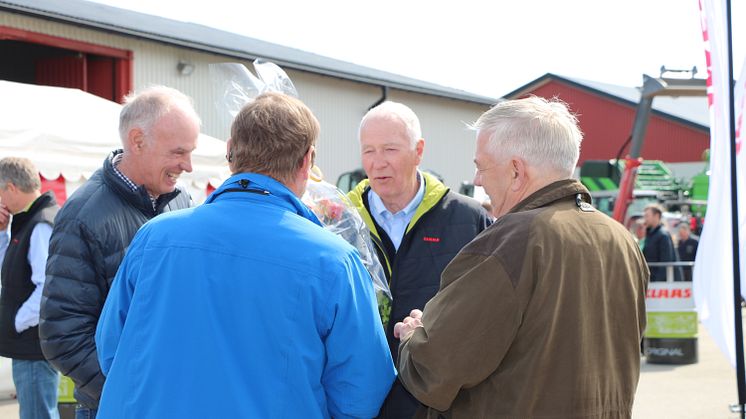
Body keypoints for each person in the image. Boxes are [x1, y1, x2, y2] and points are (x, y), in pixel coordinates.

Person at [95, 92, 396, 418]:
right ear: (307, 160)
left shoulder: (154, 238)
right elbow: (361, 393)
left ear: (230, 152)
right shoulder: (334, 262)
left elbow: (112, 349)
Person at [393, 96, 649, 418]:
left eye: (480, 166)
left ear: (516, 171)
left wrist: (413, 335)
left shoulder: (511, 241)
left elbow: (434, 370)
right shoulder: (621, 239)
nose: (477, 181)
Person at [40, 86, 200, 418]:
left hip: (177, 398)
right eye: (178, 152)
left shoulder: (182, 202)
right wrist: (128, 394)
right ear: (137, 140)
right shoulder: (83, 215)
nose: (188, 165)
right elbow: (62, 334)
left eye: (191, 152)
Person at [347, 101, 491, 419]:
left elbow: (489, 314)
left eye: (390, 149)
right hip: (358, 402)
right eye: (368, 150)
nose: (378, 162)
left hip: (437, 402)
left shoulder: (468, 219)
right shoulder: (340, 220)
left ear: (418, 150)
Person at [0, 158, 60, 419]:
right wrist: (2, 232)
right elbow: (8, 270)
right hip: (29, 344)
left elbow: (47, 288)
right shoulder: (29, 222)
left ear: (11, 188)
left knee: (37, 414)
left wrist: (17, 322)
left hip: (32, 345)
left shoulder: (40, 224)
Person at [642, 203, 682, 282]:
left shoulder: (663, 235)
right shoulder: (651, 234)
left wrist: (657, 282)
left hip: (660, 286)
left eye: (647, 216)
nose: (645, 219)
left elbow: (666, 262)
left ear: (656, 216)